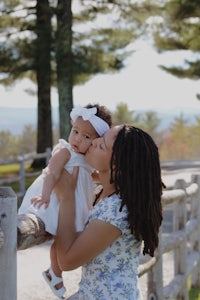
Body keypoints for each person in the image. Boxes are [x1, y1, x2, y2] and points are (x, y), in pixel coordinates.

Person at [54, 124, 165, 300]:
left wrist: (66, 197)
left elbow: (66, 261)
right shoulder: (107, 195)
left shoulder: (115, 210)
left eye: (102, 145)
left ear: (117, 165)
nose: (93, 142)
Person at [18, 103, 112, 299]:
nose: (77, 138)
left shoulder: (86, 159)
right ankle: (55, 272)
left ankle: (53, 270)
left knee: (67, 237)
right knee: (63, 236)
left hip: (72, 203)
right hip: (54, 200)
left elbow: (89, 175)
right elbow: (52, 173)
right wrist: (44, 195)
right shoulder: (65, 151)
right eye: (75, 131)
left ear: (96, 141)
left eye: (86, 136)